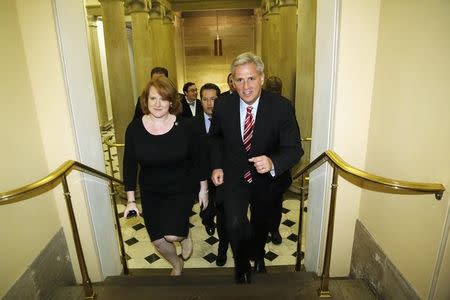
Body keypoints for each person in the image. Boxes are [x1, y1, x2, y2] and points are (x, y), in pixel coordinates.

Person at [209, 52, 303, 284]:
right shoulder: (222, 105)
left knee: (261, 224)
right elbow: (215, 139)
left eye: (251, 78)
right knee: (233, 222)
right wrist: (217, 166)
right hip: (234, 176)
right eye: (239, 80)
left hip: (267, 180)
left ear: (261, 78)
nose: (246, 86)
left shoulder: (281, 107)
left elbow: (294, 148)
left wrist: (273, 162)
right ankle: (241, 265)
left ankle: (259, 255)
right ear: (232, 82)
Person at [123, 76, 209, 276]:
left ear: (171, 101)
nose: (158, 104)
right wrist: (130, 200)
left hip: (180, 187)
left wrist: (203, 189)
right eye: (153, 99)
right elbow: (129, 164)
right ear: (146, 101)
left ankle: (184, 234)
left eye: (163, 99)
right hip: (151, 190)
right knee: (158, 240)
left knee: (172, 235)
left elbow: (199, 160)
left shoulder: (186, 127)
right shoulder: (134, 129)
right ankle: (176, 263)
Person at [195, 83, 230, 267]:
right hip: (201, 177)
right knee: (206, 208)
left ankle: (223, 248)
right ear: (200, 101)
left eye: (213, 99)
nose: (209, 104)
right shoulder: (192, 124)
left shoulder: (228, 122)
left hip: (223, 177)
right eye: (205, 99)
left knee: (223, 214)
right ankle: (208, 220)